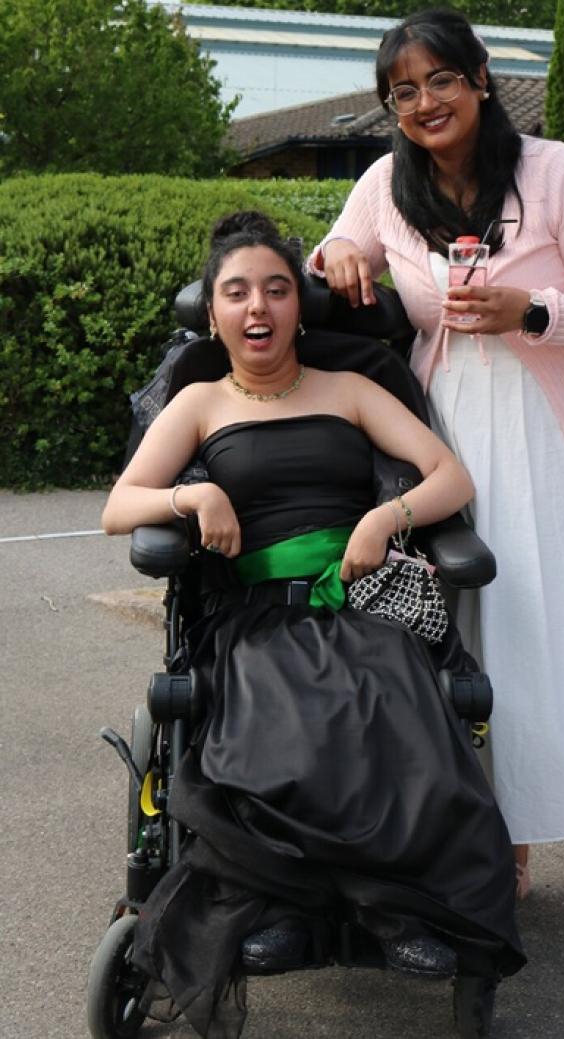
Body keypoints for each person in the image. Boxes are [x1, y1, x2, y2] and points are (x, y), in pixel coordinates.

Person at [310, 8, 564, 957]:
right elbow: (336, 256)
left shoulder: (559, 172)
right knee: (502, 651)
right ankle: (506, 851)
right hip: (466, 440)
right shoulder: (385, 185)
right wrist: (335, 252)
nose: (425, 103)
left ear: (481, 78)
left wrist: (531, 308)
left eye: (440, 81)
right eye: (403, 92)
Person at [102, 210, 525, 1038]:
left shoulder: (353, 387)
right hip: (251, 613)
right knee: (278, 707)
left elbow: (450, 474)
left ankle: (398, 913)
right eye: (236, 292)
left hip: (360, 600)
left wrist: (384, 516)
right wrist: (196, 494)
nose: (257, 306)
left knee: (387, 695)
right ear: (215, 314)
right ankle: (277, 906)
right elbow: (121, 506)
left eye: (276, 289)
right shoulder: (197, 403)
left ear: (299, 305)